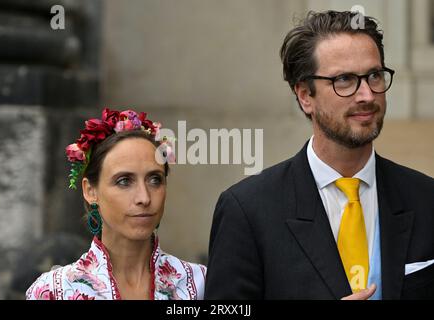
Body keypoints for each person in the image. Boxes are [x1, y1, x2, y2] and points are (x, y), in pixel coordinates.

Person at [205, 10, 434, 300]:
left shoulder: (426, 199)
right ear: (305, 95)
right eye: (344, 80)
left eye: (374, 76)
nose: (366, 95)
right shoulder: (247, 210)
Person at [26, 108, 206, 300]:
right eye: (124, 181)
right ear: (90, 191)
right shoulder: (53, 291)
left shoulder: (200, 283)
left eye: (155, 180)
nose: (144, 198)